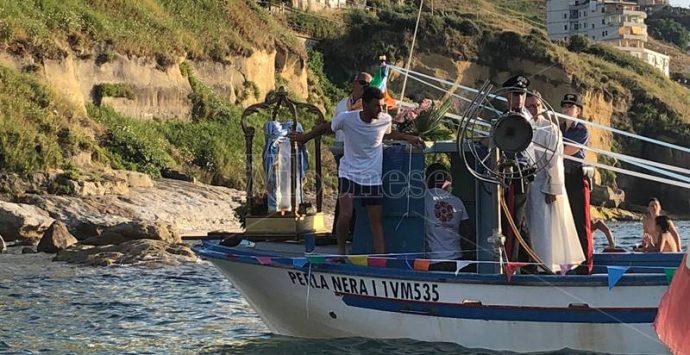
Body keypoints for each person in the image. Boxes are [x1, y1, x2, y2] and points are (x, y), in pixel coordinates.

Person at [294, 87, 423, 254]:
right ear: (365, 104)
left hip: (372, 177)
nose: (380, 109)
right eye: (377, 106)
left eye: (382, 106)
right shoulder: (346, 119)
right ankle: (341, 252)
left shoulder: (384, 120)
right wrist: (305, 138)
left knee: (375, 221)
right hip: (349, 173)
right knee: (346, 215)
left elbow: (389, 135)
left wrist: (409, 137)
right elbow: (326, 127)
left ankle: (381, 259)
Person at [524, 92, 585, 273]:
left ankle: (546, 266)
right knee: (527, 226)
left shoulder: (549, 128)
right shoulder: (520, 126)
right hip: (524, 185)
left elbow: (555, 160)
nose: (534, 110)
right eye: (530, 106)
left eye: (537, 106)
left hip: (544, 185)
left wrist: (553, 187)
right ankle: (528, 264)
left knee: (545, 227)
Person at [499, 75, 535, 271]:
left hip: (518, 174)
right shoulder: (506, 116)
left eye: (522, 94)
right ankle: (530, 265)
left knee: (513, 221)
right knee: (518, 222)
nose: (519, 98)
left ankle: (511, 265)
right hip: (509, 173)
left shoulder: (520, 118)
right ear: (507, 95)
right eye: (515, 94)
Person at [560, 93, 593, 274]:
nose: (566, 110)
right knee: (564, 221)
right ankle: (568, 262)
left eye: (570, 107)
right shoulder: (558, 129)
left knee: (581, 221)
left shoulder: (581, 130)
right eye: (564, 106)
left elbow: (568, 150)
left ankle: (585, 265)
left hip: (576, 176)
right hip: (561, 176)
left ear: (578, 111)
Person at [424, 163, 474, 271]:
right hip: (456, 260)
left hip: (432, 261)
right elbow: (467, 232)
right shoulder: (457, 201)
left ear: (427, 179)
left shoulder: (422, 201)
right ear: (446, 180)